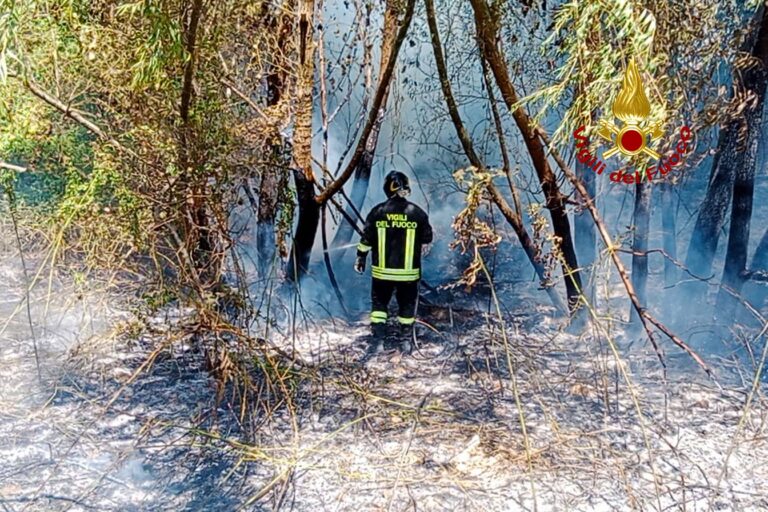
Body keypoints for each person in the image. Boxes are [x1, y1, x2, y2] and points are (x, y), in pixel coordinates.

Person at [354, 171, 433, 353]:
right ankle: (405, 342)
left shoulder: (377, 212)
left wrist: (360, 257)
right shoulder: (417, 213)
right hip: (408, 274)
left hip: (382, 273)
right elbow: (427, 238)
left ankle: (378, 342)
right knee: (407, 305)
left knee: (379, 307)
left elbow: (366, 241)